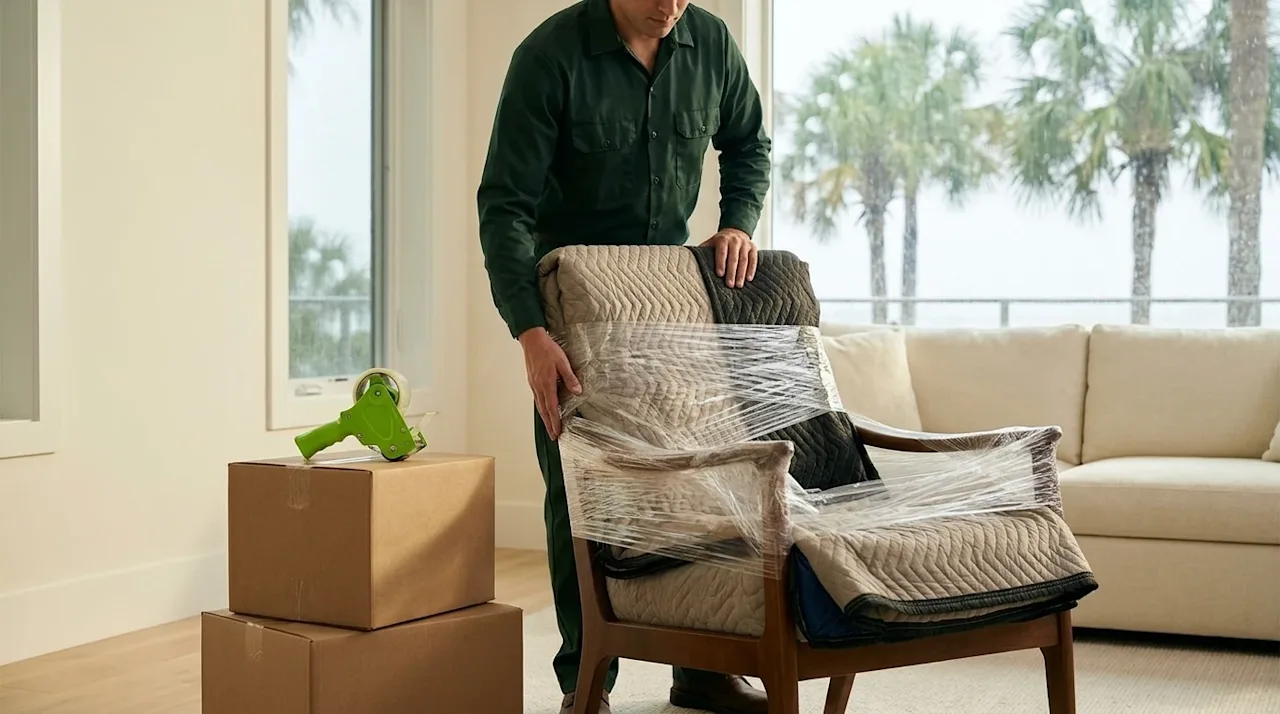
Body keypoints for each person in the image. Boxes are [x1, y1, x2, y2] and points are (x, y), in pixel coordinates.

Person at [477, 0, 771, 711]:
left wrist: (737, 222)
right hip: (574, 309)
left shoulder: (710, 43)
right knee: (581, 495)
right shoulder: (549, 57)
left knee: (698, 483)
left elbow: (749, 144)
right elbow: (505, 205)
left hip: (670, 297)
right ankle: (586, 684)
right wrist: (529, 333)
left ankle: (701, 667)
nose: (670, 8)